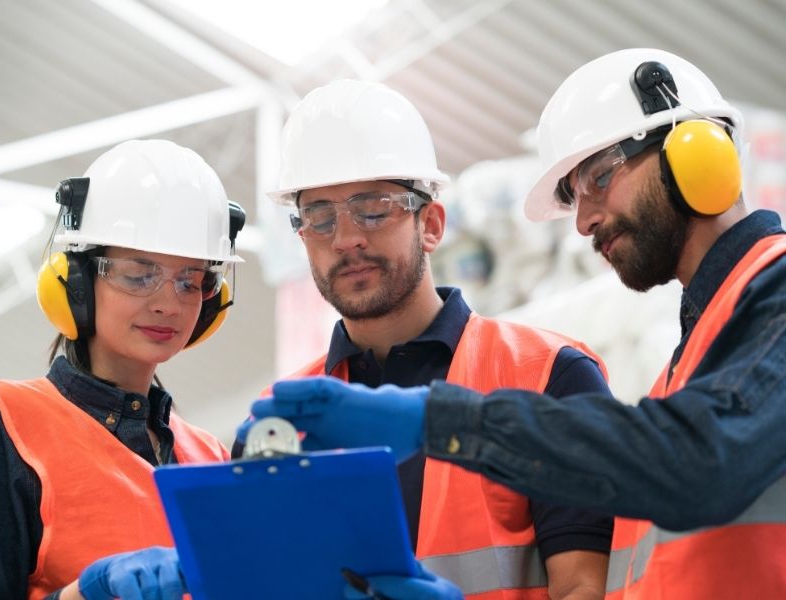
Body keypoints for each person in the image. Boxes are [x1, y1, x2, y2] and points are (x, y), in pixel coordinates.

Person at [250, 49, 786, 599]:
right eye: (318, 218)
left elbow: (700, 460)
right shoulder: (692, 361)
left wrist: (437, 420)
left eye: (600, 178)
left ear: (699, 150)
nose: (583, 221)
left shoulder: (775, 292)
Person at [237, 79, 614, 600]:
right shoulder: (276, 422)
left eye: (373, 209)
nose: (346, 238)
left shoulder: (550, 376)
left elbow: (585, 588)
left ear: (431, 224)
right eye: (320, 218)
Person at [0, 139, 245, 599]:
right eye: (138, 275)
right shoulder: (4, 422)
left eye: (190, 281)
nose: (168, 304)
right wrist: (85, 594)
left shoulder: (211, 456)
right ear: (78, 281)